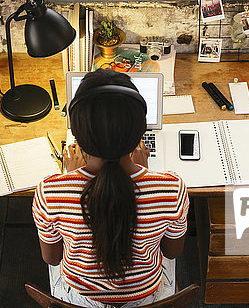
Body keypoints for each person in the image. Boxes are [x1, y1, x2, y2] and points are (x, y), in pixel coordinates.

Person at [32, 69, 189, 307]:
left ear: (77, 134)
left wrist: (68, 176)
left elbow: (52, 259)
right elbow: (171, 252)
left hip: (80, 301)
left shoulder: (49, 191)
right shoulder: (173, 188)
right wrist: (145, 172)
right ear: (140, 133)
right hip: (147, 298)